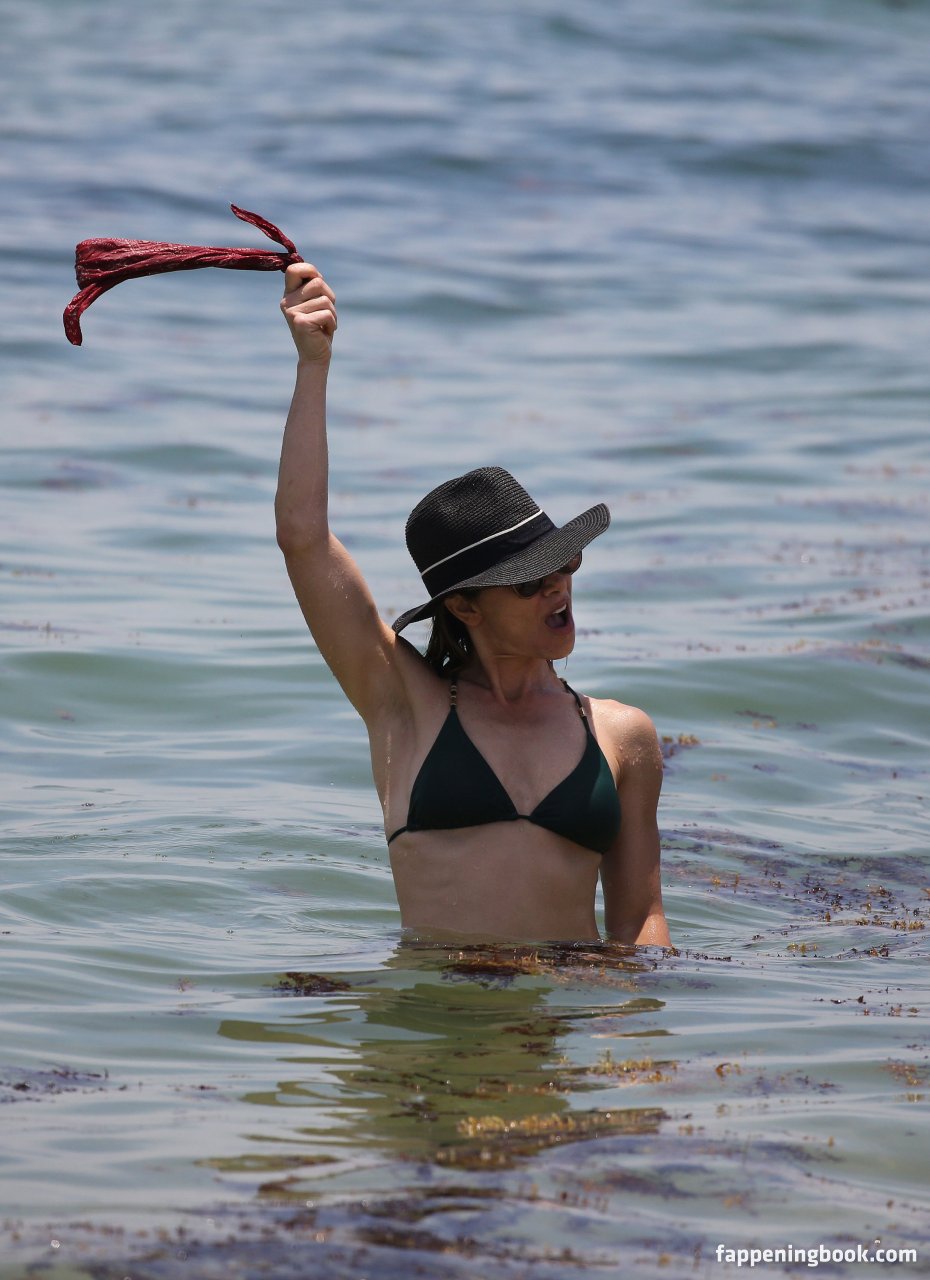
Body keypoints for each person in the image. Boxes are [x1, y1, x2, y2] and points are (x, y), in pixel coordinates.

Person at [276, 262, 671, 947]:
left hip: (561, 1010)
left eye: (564, 563)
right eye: (529, 580)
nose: (558, 586)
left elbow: (640, 918)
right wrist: (315, 364)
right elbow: (302, 538)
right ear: (464, 608)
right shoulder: (404, 705)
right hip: (431, 1008)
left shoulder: (622, 736)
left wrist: (633, 1013)